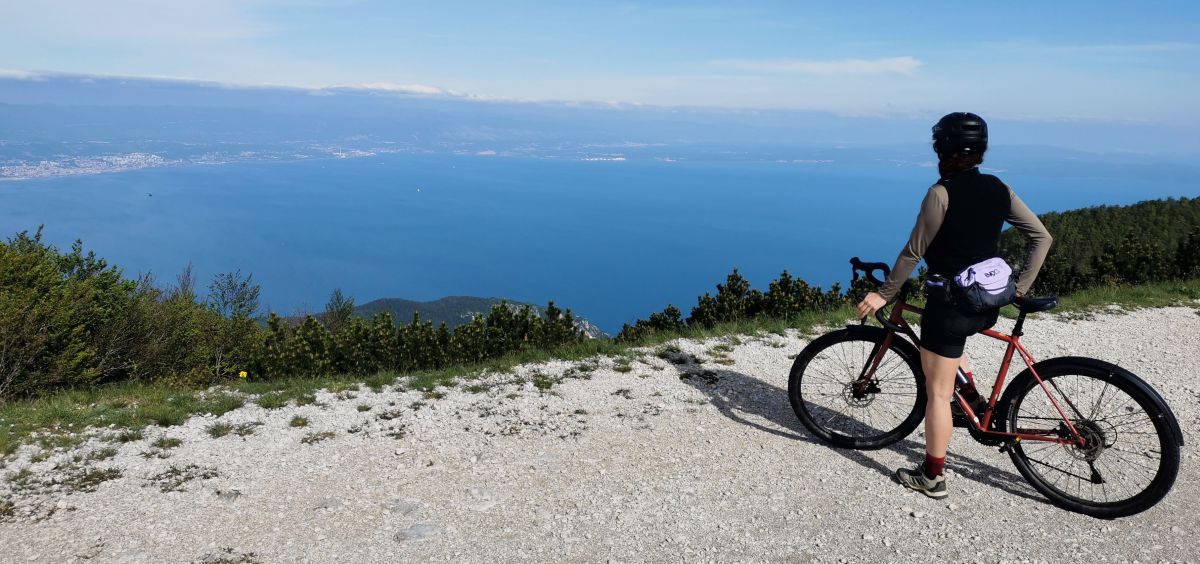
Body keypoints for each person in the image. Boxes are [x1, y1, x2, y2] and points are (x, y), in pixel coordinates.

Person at [854, 112, 1053, 499]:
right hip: (988, 300)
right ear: (980, 150)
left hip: (951, 305)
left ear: (941, 149)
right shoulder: (999, 187)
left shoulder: (940, 193)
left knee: (938, 392)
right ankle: (974, 401)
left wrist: (886, 293)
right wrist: (1018, 288)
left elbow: (914, 251)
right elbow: (1041, 238)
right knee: (950, 352)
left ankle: (932, 477)